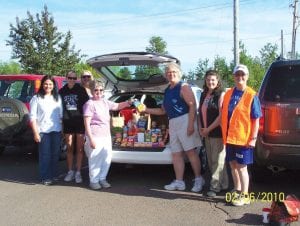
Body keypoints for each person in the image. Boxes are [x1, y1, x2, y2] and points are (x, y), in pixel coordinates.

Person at [139, 62, 205, 192]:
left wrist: (191, 124)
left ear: (179, 73)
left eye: (174, 72)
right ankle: (179, 182)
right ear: (166, 75)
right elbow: (163, 111)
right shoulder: (168, 90)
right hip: (173, 122)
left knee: (191, 152)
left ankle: (198, 179)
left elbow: (192, 106)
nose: (171, 74)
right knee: (176, 154)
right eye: (168, 72)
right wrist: (146, 110)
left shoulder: (183, 87)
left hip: (185, 120)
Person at [221, 64, 262, 206]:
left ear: (247, 77)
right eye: (237, 75)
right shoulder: (228, 93)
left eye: (242, 75)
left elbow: (256, 119)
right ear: (234, 77)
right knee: (232, 165)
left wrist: (253, 138)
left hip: (244, 139)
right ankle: (237, 190)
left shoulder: (251, 95)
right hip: (229, 138)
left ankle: (245, 195)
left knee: (241, 167)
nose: (240, 77)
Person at [83, 80, 132, 190]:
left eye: (101, 90)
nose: (99, 92)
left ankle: (102, 178)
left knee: (106, 158)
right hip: (95, 136)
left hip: (106, 135)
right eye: (96, 90)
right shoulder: (89, 104)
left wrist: (128, 102)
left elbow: (117, 106)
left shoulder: (105, 102)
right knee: (95, 159)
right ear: (91, 91)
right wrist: (91, 139)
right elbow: (86, 123)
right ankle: (94, 181)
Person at [198, 70, 228, 197]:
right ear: (205, 81)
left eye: (213, 80)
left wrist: (208, 129)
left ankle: (215, 187)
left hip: (217, 132)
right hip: (206, 133)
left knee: (218, 161)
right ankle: (224, 185)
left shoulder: (221, 94)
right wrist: (201, 129)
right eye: (208, 79)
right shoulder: (204, 94)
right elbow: (200, 113)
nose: (210, 82)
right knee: (211, 161)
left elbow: (221, 116)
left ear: (217, 81)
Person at [29, 75, 63, 185]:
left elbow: (61, 115)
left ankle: (54, 175)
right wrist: (35, 133)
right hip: (43, 131)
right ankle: (45, 177)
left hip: (56, 130)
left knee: (55, 154)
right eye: (46, 84)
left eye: (50, 84)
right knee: (45, 155)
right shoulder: (36, 98)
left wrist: (62, 130)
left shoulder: (57, 98)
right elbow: (32, 117)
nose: (48, 86)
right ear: (42, 85)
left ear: (54, 86)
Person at [59, 71, 90, 183]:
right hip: (68, 123)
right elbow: (59, 108)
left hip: (79, 123)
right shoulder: (62, 91)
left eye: (74, 78)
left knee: (80, 149)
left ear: (76, 79)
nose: (72, 80)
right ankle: (70, 171)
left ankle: (78, 172)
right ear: (66, 78)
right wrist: (61, 123)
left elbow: (88, 106)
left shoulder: (80, 90)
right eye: (70, 78)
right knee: (70, 148)